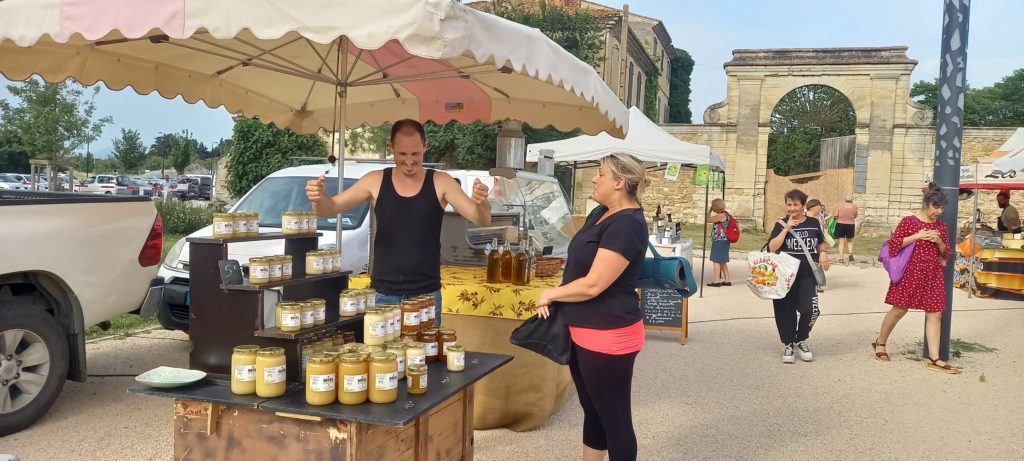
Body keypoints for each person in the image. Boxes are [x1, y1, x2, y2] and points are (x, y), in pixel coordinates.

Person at [305, 119, 491, 325]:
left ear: (425, 146)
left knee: (425, 357)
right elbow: (328, 208)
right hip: (383, 294)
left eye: (415, 154)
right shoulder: (375, 180)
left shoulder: (441, 181)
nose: (409, 161)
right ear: (391, 147)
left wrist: (481, 202)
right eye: (402, 154)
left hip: (426, 296)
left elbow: (480, 218)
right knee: (382, 356)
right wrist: (318, 197)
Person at [536, 153, 649, 461]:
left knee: (615, 419)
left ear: (619, 183)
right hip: (583, 329)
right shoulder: (601, 212)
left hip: (609, 334)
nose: (595, 178)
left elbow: (594, 284)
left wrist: (552, 293)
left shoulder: (627, 224)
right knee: (593, 410)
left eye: (601, 174)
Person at [872, 183, 958, 374]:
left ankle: (934, 358)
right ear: (927, 204)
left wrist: (940, 242)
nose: (939, 212)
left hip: (933, 274)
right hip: (910, 273)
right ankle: (880, 343)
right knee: (899, 310)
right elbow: (894, 246)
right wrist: (917, 236)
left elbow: (947, 253)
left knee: (935, 314)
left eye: (942, 208)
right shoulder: (909, 222)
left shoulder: (941, 226)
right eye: (936, 207)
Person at [767, 189, 830, 364]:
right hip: (784, 276)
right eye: (789, 204)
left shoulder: (813, 223)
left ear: (803, 206)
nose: (792, 208)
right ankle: (788, 343)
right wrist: (786, 228)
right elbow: (772, 247)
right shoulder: (780, 223)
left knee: (811, 310)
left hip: (807, 274)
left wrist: (823, 252)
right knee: (784, 311)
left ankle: (801, 339)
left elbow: (820, 242)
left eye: (796, 205)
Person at [804, 198, 832, 293]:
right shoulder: (805, 217)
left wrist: (824, 225)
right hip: (809, 245)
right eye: (818, 206)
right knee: (809, 264)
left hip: (818, 244)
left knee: (817, 263)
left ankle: (817, 283)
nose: (820, 208)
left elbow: (822, 230)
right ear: (812, 208)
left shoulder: (820, 216)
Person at [706, 198, 732, 287]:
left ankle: (716, 281)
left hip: (719, 240)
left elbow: (708, 219)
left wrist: (709, 210)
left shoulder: (721, 215)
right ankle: (727, 280)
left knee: (716, 260)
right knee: (722, 261)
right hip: (724, 240)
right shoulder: (726, 214)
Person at [834, 195, 858, 263]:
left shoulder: (840, 205)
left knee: (841, 241)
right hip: (850, 224)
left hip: (840, 224)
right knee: (849, 240)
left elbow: (835, 215)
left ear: (845, 199)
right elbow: (855, 216)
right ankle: (850, 253)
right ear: (852, 200)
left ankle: (841, 258)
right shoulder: (854, 206)